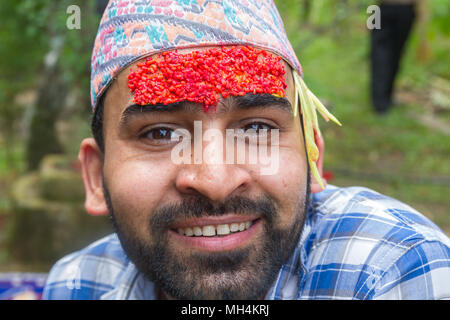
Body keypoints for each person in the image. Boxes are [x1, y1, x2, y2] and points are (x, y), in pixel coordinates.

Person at [43, 0, 449, 300]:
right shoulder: (76, 286)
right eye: (161, 134)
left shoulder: (394, 271)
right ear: (96, 177)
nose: (215, 181)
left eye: (256, 128)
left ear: (311, 157)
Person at [370, 0, 417, 114]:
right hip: (382, 9)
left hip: (403, 9)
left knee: (395, 53)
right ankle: (380, 101)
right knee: (381, 53)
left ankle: (386, 97)